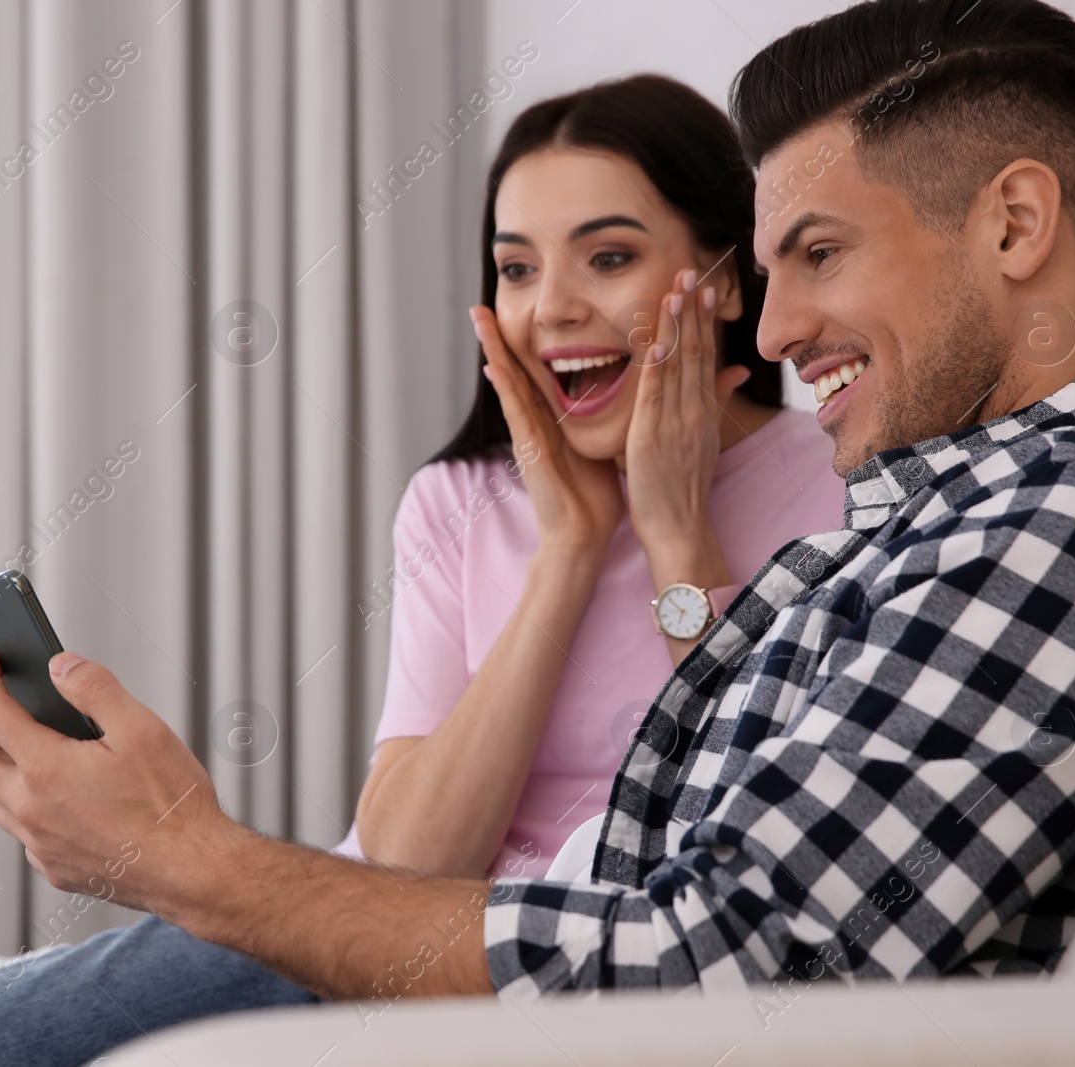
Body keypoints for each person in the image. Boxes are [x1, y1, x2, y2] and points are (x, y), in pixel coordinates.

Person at [0, 0, 1075, 1063]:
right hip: (482, 941)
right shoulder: (954, 503)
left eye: (818, 254)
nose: (774, 328)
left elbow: (729, 962)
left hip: (500, 976)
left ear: (1018, 222)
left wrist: (197, 858)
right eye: (769, 269)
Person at [341, 74, 843, 883]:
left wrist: (677, 535)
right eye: (516, 269)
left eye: (607, 257)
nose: (551, 308)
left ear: (720, 279)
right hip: (387, 946)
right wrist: (570, 549)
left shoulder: (848, 480)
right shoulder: (455, 501)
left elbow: (773, 827)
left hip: (593, 962)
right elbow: (401, 863)